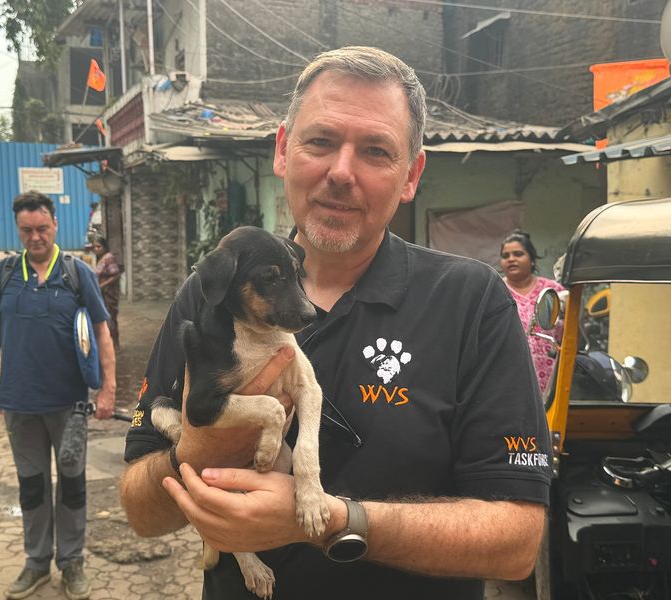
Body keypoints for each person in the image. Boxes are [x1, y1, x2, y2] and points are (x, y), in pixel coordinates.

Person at [119, 47, 550, 600]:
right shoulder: (212, 295)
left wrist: (326, 519)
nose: (341, 173)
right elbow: (140, 509)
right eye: (320, 142)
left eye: (375, 151)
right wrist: (191, 455)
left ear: (412, 174)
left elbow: (517, 542)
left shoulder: (471, 302)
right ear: (282, 150)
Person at [0, 192, 116, 600]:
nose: (35, 237)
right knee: (32, 487)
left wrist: (107, 389)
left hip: (70, 405)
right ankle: (37, 563)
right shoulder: (3, 273)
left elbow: (102, 332)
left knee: (72, 485)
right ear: (17, 230)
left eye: (42, 228)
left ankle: (71, 563)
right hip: (19, 405)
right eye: (27, 230)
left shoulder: (77, 273)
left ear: (55, 225)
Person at [500, 230, 565, 394]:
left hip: (551, 377)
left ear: (532, 260)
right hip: (507, 376)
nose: (511, 259)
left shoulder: (553, 291)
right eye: (505, 255)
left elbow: (568, 331)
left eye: (518, 254)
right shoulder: (496, 291)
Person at [91, 236, 120, 350]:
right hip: (102, 295)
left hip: (109, 295)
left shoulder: (108, 258)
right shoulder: (100, 258)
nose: (96, 249)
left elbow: (116, 275)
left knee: (111, 318)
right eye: (95, 247)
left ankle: (115, 344)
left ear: (104, 247)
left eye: (99, 246)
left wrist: (102, 285)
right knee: (106, 319)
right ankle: (110, 344)